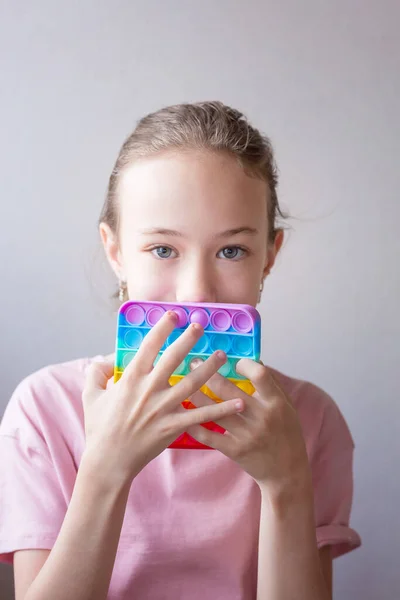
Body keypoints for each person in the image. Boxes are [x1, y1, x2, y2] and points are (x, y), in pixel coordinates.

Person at [0, 101, 361, 600]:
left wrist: (287, 486)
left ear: (269, 257)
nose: (197, 292)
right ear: (116, 252)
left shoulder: (311, 419)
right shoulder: (45, 410)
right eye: (163, 249)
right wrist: (105, 470)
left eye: (231, 250)